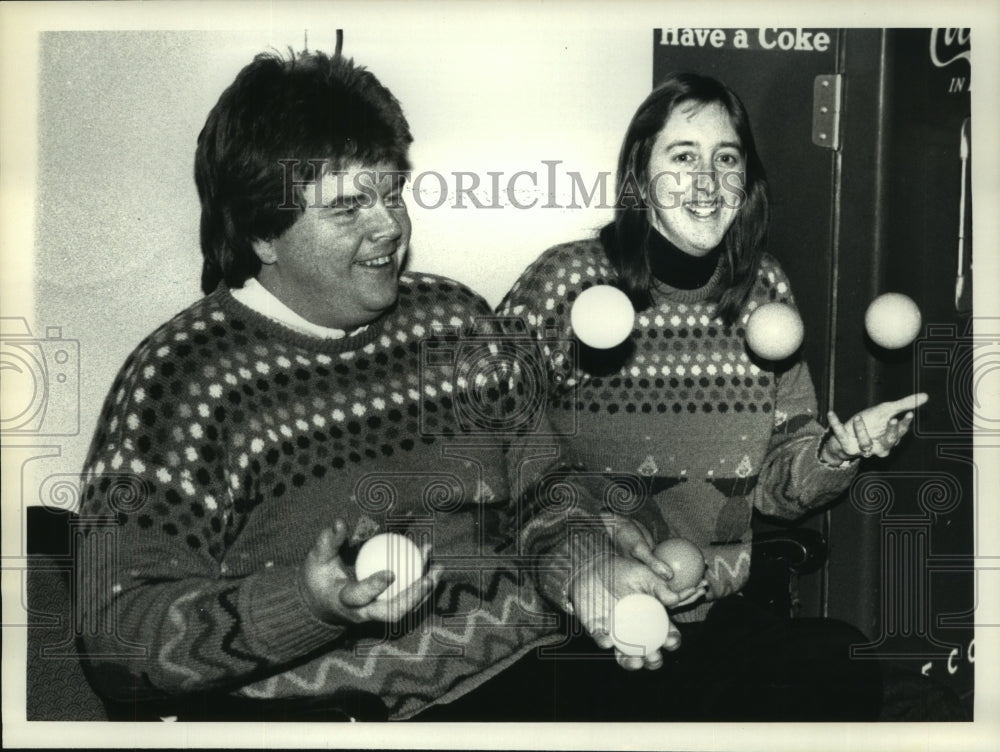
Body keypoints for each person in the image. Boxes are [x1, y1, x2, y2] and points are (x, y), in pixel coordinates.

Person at [74, 49, 678, 722]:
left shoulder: (457, 321)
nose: (388, 226)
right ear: (262, 234)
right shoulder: (179, 384)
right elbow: (117, 638)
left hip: (546, 670)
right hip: (364, 715)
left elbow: (546, 486)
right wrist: (307, 605)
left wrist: (584, 568)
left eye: (391, 194)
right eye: (347, 207)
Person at [492, 72, 928, 720]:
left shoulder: (762, 292)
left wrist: (839, 450)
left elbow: (780, 484)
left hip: (713, 606)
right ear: (639, 176)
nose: (706, 181)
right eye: (683, 157)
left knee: (837, 657)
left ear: (744, 182)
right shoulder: (569, 281)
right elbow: (488, 436)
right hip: (579, 611)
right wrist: (592, 539)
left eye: (726, 158)